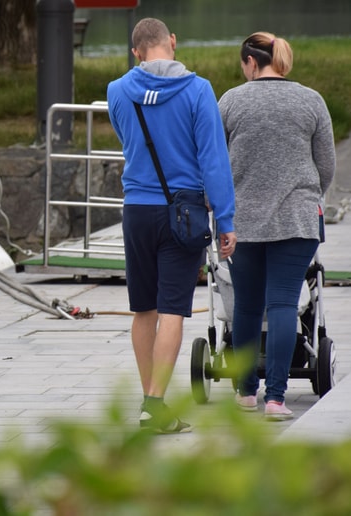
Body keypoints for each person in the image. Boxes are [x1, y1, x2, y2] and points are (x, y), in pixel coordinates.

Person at [107, 18, 237, 433]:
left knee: (143, 309)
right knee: (173, 310)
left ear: (136, 52)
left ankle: (153, 405)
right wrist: (226, 219)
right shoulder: (199, 91)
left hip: (137, 211)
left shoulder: (116, 92)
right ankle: (154, 403)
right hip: (183, 213)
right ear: (172, 43)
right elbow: (213, 161)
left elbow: (127, 141)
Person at [217, 32, 335, 420]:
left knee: (247, 306)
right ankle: (277, 399)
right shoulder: (311, 100)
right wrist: (311, 198)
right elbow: (326, 166)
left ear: (250, 63)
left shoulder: (231, 101)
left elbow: (216, 163)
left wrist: (217, 209)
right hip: (297, 219)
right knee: (283, 302)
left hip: (243, 222)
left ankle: (246, 392)